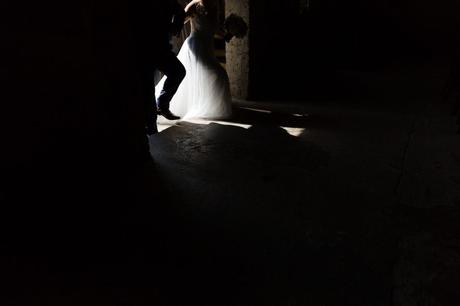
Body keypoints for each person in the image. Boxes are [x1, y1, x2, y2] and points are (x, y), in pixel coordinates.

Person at [155, 0, 232, 120]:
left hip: (208, 47)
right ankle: (162, 104)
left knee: (199, 75)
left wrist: (229, 33)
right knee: (219, 74)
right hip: (196, 45)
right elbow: (179, 23)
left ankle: (202, 104)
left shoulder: (215, 6)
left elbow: (214, 29)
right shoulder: (195, 5)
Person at [154, 0, 187, 122]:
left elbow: (180, 12)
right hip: (149, 45)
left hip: (160, 46)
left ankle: (161, 105)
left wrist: (174, 28)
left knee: (178, 72)